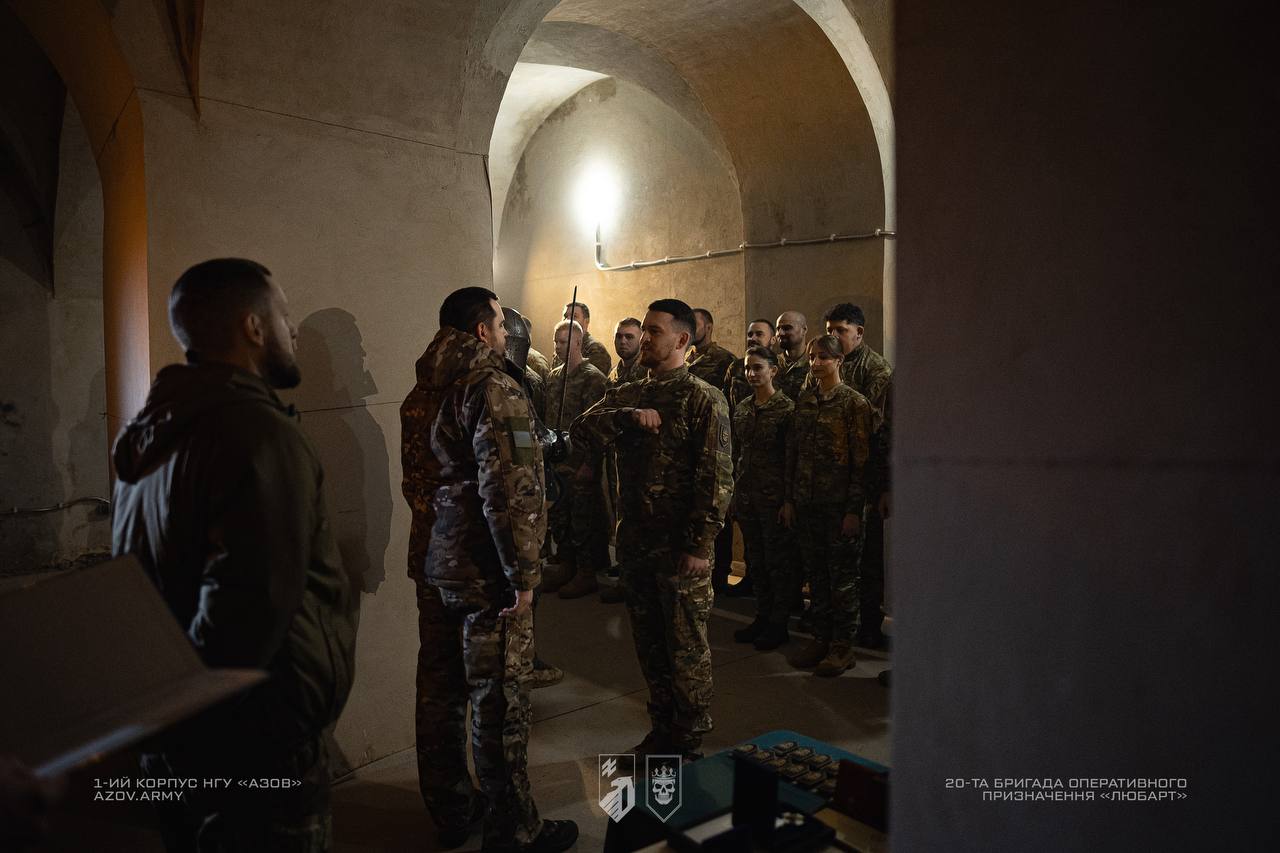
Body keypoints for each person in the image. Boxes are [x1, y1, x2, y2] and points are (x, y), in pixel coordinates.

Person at [111, 258, 358, 852]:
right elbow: (247, 609)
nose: (292, 330)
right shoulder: (258, 434)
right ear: (252, 326)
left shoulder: (153, 431)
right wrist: (216, 730)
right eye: (284, 315)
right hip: (252, 742)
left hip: (178, 734)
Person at [401, 287, 577, 852]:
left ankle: (452, 809)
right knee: (498, 700)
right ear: (482, 330)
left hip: (435, 564)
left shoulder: (423, 389)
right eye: (501, 324)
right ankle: (514, 829)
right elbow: (509, 490)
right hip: (485, 573)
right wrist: (523, 575)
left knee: (440, 692)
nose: (504, 334)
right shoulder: (491, 387)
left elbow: (418, 484)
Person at [570, 299, 733, 760]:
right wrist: (624, 418)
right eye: (644, 330)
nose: (644, 339)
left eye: (654, 332)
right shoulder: (629, 393)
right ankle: (662, 729)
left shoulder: (703, 398)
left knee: (685, 647)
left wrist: (700, 544)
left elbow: (717, 479)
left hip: (681, 548)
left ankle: (689, 738)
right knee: (649, 643)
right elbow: (580, 431)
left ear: (681, 339)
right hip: (637, 543)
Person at [782, 334, 872, 677]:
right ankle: (821, 639)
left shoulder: (854, 404)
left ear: (839, 361)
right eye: (812, 357)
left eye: (823, 357)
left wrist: (853, 511)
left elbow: (861, 462)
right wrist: (790, 499)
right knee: (817, 578)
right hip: (808, 505)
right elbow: (793, 454)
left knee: (843, 581)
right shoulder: (805, 402)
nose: (816, 363)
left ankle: (842, 648)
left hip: (839, 507)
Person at [824, 302, 893, 647]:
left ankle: (869, 625)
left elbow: (877, 428)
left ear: (859, 333)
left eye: (841, 330)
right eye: (830, 330)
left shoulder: (875, 369)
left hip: (866, 475)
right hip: (834, 476)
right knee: (838, 557)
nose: (834, 336)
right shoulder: (826, 362)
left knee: (867, 559)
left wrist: (880, 485)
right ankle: (839, 623)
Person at [729, 346, 795, 651]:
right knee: (755, 561)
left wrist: (788, 501)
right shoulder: (743, 408)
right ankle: (762, 616)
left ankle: (778, 624)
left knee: (777, 564)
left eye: (758, 368)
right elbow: (736, 454)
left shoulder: (786, 409)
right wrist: (733, 494)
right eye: (748, 368)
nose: (751, 374)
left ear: (773, 371)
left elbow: (792, 459)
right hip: (747, 497)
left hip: (774, 500)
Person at [543, 319, 609, 598]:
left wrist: (589, 463)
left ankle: (586, 572)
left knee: (583, 519)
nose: (558, 347)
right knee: (561, 517)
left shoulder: (593, 378)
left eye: (564, 342)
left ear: (579, 343)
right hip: (557, 460)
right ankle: (566, 565)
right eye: (556, 341)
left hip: (580, 461)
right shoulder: (554, 376)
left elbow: (596, 427)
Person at [686, 308, 738, 594]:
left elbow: (730, 404)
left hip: (715, 442)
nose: (691, 329)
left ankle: (720, 575)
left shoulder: (724, 360)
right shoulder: (686, 359)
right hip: (690, 446)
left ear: (709, 327)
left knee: (718, 512)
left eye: (696, 324)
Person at [601, 317, 647, 604]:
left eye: (629, 336)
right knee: (623, 517)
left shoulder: (647, 372)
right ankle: (626, 574)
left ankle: (637, 581)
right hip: (618, 457)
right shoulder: (614, 374)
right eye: (619, 336)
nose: (623, 341)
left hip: (642, 459)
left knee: (640, 520)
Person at [724, 319, 775, 413]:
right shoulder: (736, 367)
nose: (753, 338)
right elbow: (725, 402)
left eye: (759, 334)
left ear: (773, 340)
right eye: (750, 335)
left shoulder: (780, 367)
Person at [552, 301, 612, 376]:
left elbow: (594, 378)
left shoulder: (596, 349)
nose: (568, 319)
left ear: (586, 321)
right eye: (565, 316)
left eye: (574, 316)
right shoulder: (560, 347)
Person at [773, 310, 811, 402]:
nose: (780, 333)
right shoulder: (772, 363)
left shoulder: (816, 362)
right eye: (778, 329)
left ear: (804, 330)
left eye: (787, 328)